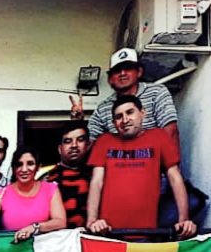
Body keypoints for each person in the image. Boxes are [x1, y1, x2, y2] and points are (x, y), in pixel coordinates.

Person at [86, 95, 196, 239]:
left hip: (147, 233)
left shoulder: (158, 137)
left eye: (130, 112)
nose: (125, 120)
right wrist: (92, 220)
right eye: (119, 117)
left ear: (142, 113)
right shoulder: (104, 141)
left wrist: (184, 219)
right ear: (114, 123)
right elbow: (96, 181)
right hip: (108, 231)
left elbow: (175, 177)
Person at [72, 48, 179, 149]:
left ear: (139, 72)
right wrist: (78, 122)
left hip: (155, 160)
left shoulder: (157, 92)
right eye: (117, 70)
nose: (122, 73)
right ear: (110, 79)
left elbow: (171, 131)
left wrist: (170, 161)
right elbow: (89, 144)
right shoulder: (103, 108)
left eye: (128, 68)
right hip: (121, 161)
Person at [0, 146, 66, 243]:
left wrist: (34, 228)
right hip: (12, 249)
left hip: (42, 249)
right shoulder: (1, 194)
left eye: (30, 163)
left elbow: (60, 222)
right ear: (13, 168)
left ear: (38, 167)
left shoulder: (50, 189)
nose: (24, 169)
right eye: (19, 164)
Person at [40, 122, 92, 228]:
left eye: (80, 140)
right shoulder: (46, 176)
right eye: (68, 141)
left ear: (88, 145)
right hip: (54, 235)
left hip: (90, 235)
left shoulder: (96, 176)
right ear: (60, 148)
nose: (74, 145)